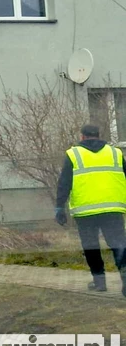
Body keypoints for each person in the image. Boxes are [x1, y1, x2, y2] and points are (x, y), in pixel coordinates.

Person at [56, 124, 126, 294]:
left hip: (85, 211)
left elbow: (64, 183)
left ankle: (99, 282)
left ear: (82, 136)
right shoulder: (115, 153)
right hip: (112, 209)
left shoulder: (73, 154)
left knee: (91, 246)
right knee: (119, 245)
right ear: (99, 135)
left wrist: (59, 206)